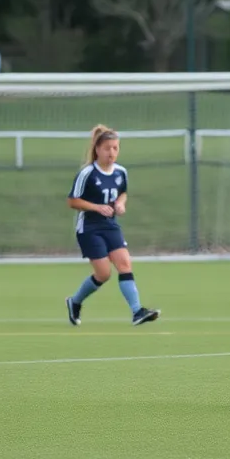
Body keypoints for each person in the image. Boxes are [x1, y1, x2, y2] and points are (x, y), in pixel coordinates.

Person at [64, 125, 159, 327]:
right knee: (104, 274)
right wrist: (96, 207)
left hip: (110, 225)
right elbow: (73, 201)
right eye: (107, 148)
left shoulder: (121, 172)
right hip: (89, 227)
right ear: (97, 149)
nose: (112, 153)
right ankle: (75, 301)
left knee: (125, 264)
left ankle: (137, 312)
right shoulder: (87, 173)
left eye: (115, 148)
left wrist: (121, 203)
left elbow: (122, 192)